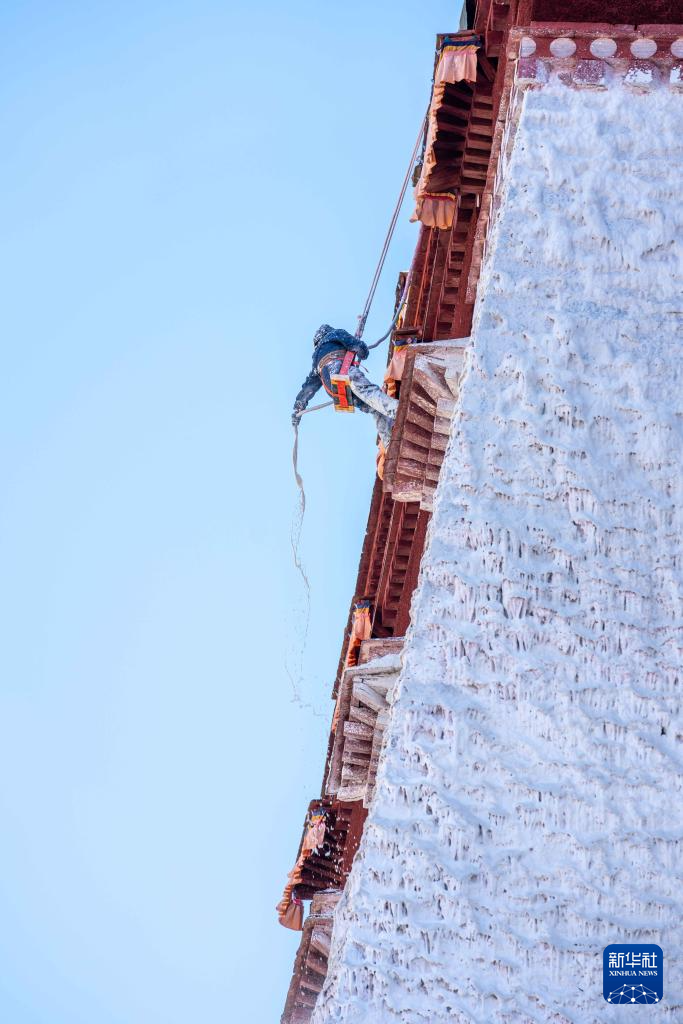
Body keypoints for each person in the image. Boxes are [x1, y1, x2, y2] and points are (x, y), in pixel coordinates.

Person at [291, 324, 399, 447]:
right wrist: (363, 351)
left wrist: (298, 408)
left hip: (336, 391)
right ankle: (397, 410)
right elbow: (358, 347)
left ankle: (389, 442)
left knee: (373, 408)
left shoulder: (316, 360)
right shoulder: (334, 334)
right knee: (368, 392)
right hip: (343, 371)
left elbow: (309, 388)